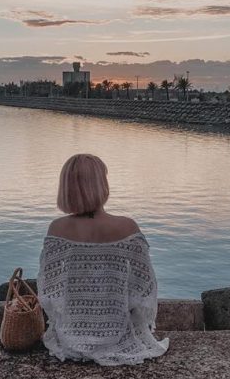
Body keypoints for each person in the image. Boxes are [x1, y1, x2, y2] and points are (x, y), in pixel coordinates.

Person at [37, 153, 169, 366]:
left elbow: (49, 293)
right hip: (120, 336)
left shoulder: (57, 229)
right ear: (101, 185)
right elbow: (145, 291)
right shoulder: (127, 228)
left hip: (69, 339)